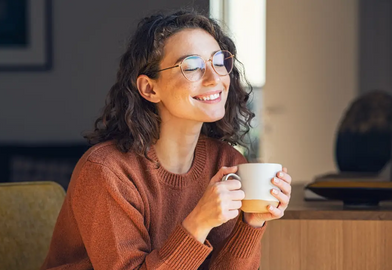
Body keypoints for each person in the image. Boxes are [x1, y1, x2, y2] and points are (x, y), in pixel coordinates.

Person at [41, 9, 292, 270]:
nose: (214, 78)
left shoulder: (226, 163)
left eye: (219, 61)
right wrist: (198, 223)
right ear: (150, 88)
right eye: (192, 67)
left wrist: (251, 223)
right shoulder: (107, 172)